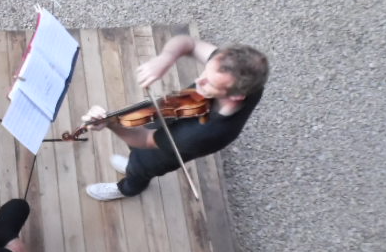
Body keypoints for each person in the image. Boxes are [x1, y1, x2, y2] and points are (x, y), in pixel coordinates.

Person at [82, 36, 269, 201]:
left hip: (161, 153)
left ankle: (126, 189)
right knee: (139, 144)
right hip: (176, 113)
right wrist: (166, 58)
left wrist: (110, 123)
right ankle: (131, 163)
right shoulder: (239, 73)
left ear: (236, 96)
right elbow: (190, 43)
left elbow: (143, 139)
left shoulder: (202, 134)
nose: (198, 81)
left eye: (209, 83)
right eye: (205, 72)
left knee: (139, 170)